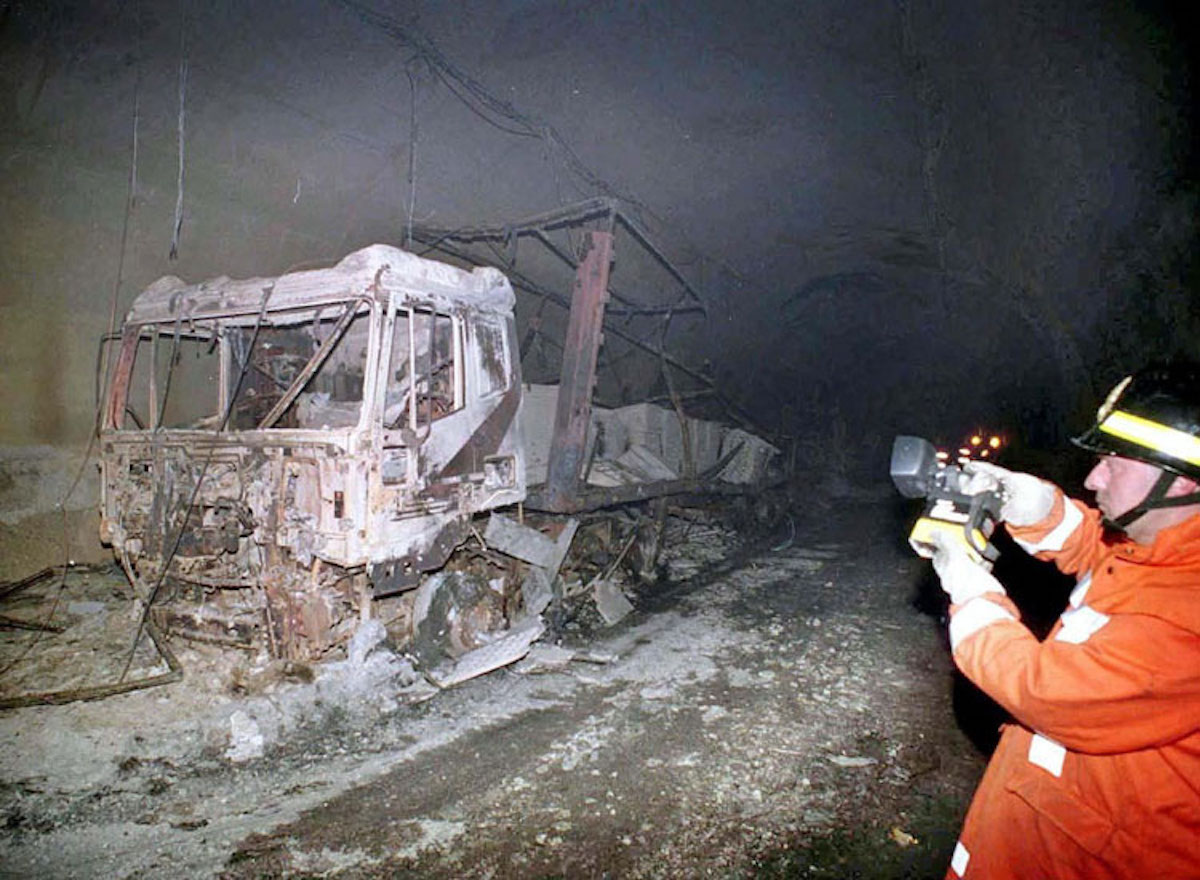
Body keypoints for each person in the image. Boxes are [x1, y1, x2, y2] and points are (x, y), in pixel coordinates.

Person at [926, 363, 1200, 879]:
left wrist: (969, 587)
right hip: (1050, 832)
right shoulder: (1166, 550)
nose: (1094, 477)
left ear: (1181, 479)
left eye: (1115, 465)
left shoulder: (1189, 623)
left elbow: (1049, 692)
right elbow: (1107, 557)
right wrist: (1035, 506)